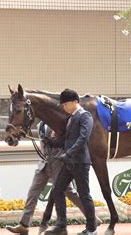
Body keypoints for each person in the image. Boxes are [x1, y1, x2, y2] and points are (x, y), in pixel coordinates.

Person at [6, 120, 97, 235]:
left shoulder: (57, 122)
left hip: (57, 162)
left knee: (69, 192)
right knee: (33, 192)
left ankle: (92, 218)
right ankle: (24, 225)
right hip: (43, 163)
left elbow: (65, 142)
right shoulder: (40, 125)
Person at [45, 89, 97, 235]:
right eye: (63, 105)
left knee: (84, 194)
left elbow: (83, 139)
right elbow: (67, 140)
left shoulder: (85, 116)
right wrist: (51, 142)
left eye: (66, 104)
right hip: (69, 161)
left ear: (75, 102)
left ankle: (91, 229)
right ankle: (61, 225)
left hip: (80, 162)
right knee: (57, 190)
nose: (64, 107)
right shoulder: (70, 118)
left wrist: (69, 153)